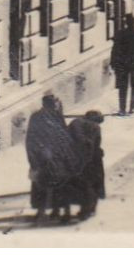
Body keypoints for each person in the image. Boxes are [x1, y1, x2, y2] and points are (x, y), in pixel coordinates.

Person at [26, 93, 76, 224]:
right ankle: (41, 212)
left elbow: (64, 134)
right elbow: (31, 140)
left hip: (58, 157)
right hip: (42, 158)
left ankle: (60, 211)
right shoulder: (36, 118)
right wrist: (33, 161)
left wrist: (67, 154)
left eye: (56, 105)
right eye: (54, 105)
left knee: (62, 186)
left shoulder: (57, 116)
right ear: (46, 106)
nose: (55, 107)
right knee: (41, 187)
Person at [61, 110, 107, 219]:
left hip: (74, 158)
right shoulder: (95, 127)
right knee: (92, 185)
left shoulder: (75, 122)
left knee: (75, 184)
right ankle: (88, 210)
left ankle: (70, 211)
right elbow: (94, 144)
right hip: (91, 161)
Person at [110, 13, 134, 115]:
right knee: (129, 87)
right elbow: (115, 49)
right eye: (131, 22)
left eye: (133, 22)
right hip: (130, 64)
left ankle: (128, 108)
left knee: (129, 86)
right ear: (128, 23)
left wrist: (113, 63)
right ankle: (128, 108)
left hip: (128, 64)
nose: (132, 23)